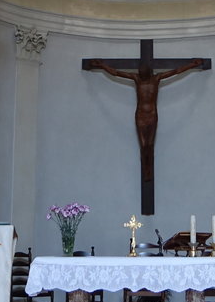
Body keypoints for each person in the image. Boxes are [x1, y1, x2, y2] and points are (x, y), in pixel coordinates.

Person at [84, 56, 206, 197]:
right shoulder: (136, 79)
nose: (141, 72)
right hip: (140, 116)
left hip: (152, 116)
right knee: (143, 145)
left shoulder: (156, 78)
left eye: (143, 71)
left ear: (148, 71)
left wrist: (191, 65)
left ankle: (148, 170)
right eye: (139, 71)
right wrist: (102, 65)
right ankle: (146, 169)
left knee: (150, 145)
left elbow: (176, 71)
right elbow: (116, 73)